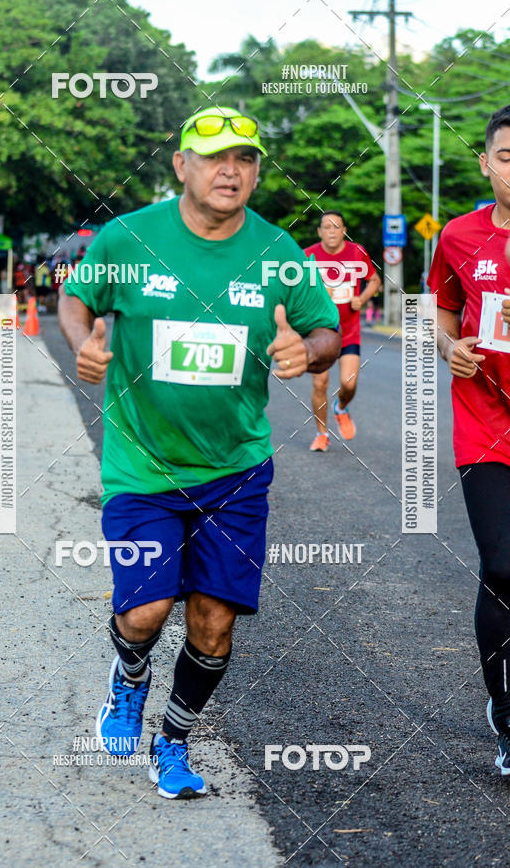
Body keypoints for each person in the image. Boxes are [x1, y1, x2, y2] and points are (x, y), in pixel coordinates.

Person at [58, 105, 340, 799]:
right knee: (146, 614)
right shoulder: (128, 239)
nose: (231, 170)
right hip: (142, 467)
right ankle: (128, 681)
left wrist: (309, 350)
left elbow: (327, 329)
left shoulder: (278, 253)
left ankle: (173, 745)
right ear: (181, 166)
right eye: (215, 157)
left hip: (236, 471)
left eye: (244, 159)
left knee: (213, 626)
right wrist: (84, 344)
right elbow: (75, 299)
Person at [428, 104, 510, 776]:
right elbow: (445, 309)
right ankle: (507, 716)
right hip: (486, 422)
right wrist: (449, 344)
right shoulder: (458, 236)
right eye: (507, 155)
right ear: (485, 162)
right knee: (505, 566)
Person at [304, 211, 382, 451]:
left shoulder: (357, 252)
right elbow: (296, 293)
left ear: (344, 230)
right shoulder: (308, 256)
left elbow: (375, 280)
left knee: (349, 384)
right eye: (326, 227)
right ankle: (321, 434)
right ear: (319, 232)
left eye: (336, 227)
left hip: (348, 332)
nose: (331, 231)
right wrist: (317, 297)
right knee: (320, 384)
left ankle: (341, 407)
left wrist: (363, 297)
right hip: (320, 332)